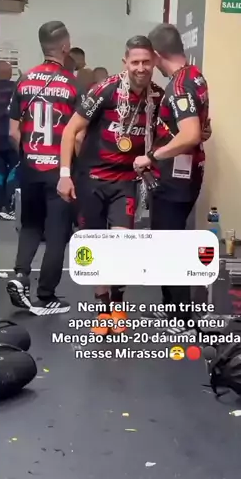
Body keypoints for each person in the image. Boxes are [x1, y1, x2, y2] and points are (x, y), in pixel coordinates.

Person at [57, 36, 163, 333]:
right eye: (135, 62)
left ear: (154, 62)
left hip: (125, 182)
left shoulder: (157, 96)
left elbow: (172, 130)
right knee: (97, 247)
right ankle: (102, 309)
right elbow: (71, 131)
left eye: (146, 62)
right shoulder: (105, 90)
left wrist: (201, 130)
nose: (141, 68)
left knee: (121, 246)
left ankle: (118, 303)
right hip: (91, 180)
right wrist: (65, 174)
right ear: (125, 62)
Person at [133, 23, 210, 333]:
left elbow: (190, 134)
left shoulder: (179, 86)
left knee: (169, 247)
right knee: (167, 242)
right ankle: (172, 311)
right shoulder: (195, 76)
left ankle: (181, 318)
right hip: (186, 173)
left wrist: (151, 156)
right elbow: (201, 129)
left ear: (156, 53)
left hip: (176, 178)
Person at [6, 21, 78, 315]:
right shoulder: (72, 84)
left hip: (31, 166)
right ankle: (46, 294)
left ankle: (20, 275)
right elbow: (78, 135)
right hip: (60, 170)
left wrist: (27, 157)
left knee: (31, 224)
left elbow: (13, 132)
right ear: (65, 47)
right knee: (58, 232)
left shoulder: (24, 81)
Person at [0, 60, 19, 219]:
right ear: (11, 74)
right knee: (14, 171)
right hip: (12, 137)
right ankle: (11, 206)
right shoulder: (17, 89)